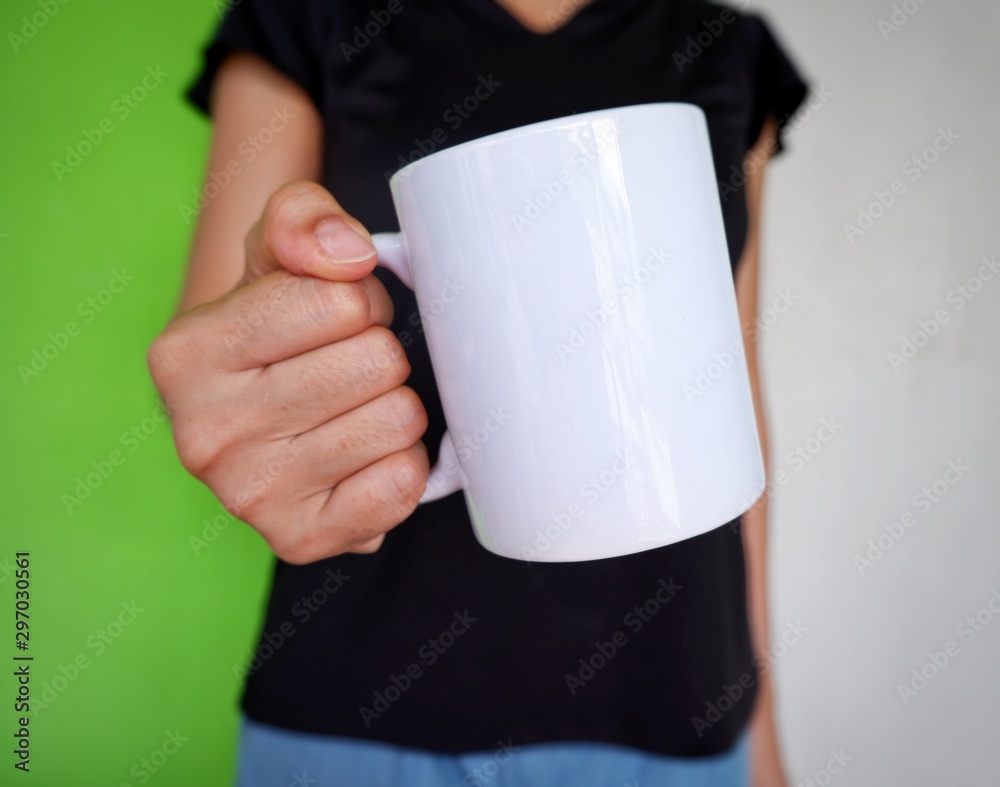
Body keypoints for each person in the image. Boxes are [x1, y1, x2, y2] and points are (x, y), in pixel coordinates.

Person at [149, 0, 810, 784]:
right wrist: (245, 396)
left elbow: (728, 383)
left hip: (680, 705)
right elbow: (220, 356)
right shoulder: (309, 18)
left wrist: (763, 716)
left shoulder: (729, 54)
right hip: (359, 712)